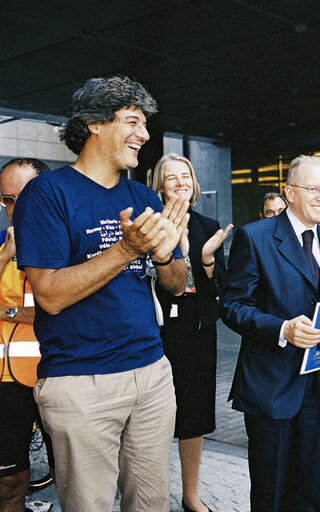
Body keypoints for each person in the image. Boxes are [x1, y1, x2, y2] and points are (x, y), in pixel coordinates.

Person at [13, 76, 188, 512]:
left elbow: (177, 285)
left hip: (151, 374)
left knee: (150, 505)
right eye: (132, 121)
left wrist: (166, 257)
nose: (144, 134)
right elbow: (49, 295)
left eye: (145, 124)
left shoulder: (142, 194)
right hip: (81, 382)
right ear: (93, 123)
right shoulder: (48, 193)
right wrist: (128, 248)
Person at [220, 155, 320, 511]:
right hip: (272, 387)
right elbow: (232, 306)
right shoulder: (254, 237)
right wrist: (281, 329)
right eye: (313, 188)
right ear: (290, 192)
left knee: (309, 492)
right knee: (271, 493)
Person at [151, 154, 233, 512]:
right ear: (160, 186)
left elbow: (223, 287)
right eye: (172, 178)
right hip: (156, 331)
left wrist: (208, 261)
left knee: (194, 415)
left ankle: (190, 494)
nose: (181, 182)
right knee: (152, 417)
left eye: (186, 176)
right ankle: (147, 491)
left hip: (198, 329)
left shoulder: (207, 224)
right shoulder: (149, 224)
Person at [0, 158, 52, 512]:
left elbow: (61, 307)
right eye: (7, 199)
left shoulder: (68, 241)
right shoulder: (2, 248)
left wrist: (11, 312)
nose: (15, 208)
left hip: (61, 374)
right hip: (7, 382)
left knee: (78, 476)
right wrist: (6, 253)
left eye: (25, 195)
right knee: (9, 482)